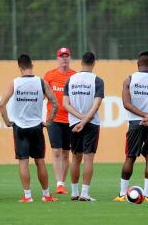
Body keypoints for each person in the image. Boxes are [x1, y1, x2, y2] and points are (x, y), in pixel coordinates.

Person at [0, 54, 59, 203]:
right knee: (40, 161)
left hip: (19, 127)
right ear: (32, 65)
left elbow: (1, 104)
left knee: (23, 162)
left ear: (20, 67)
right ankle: (46, 195)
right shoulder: (41, 82)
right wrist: (49, 121)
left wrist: (7, 121)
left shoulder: (15, 83)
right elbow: (55, 102)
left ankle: (27, 196)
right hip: (36, 127)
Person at [114, 51, 148, 202]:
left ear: (138, 64)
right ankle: (146, 195)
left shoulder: (129, 79)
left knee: (130, 157)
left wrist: (142, 115)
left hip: (134, 123)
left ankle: (121, 194)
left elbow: (126, 104)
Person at [63, 52, 104, 202]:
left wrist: (79, 119)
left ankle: (74, 192)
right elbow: (96, 104)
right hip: (91, 123)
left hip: (74, 123)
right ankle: (85, 193)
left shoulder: (70, 79)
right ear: (94, 63)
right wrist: (85, 119)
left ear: (81, 62)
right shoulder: (97, 81)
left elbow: (65, 104)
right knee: (88, 159)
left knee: (75, 158)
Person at [44, 47, 76, 194]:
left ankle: (62, 182)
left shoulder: (75, 76)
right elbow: (41, 96)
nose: (64, 58)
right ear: (57, 59)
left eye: (66, 56)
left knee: (66, 152)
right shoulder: (50, 75)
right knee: (56, 151)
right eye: (61, 56)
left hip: (70, 119)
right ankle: (59, 184)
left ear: (70, 58)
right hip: (54, 119)